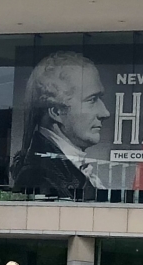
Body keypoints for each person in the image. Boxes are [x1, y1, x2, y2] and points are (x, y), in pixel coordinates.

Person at [10, 51, 110, 200]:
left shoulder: (57, 170)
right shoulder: (39, 177)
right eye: (92, 99)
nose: (105, 113)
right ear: (57, 111)